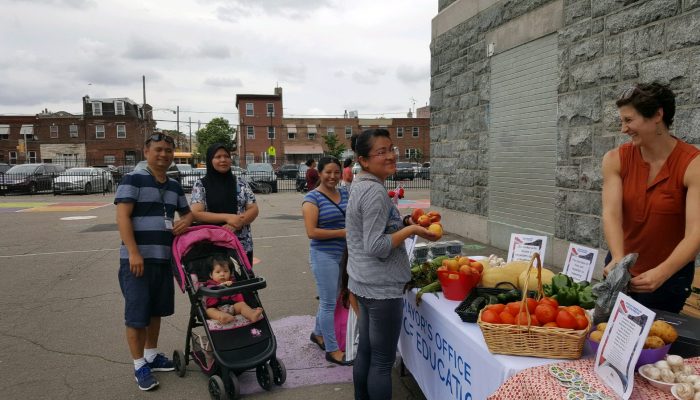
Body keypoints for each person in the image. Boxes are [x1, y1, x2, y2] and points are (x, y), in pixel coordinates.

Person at [346, 129, 438, 399]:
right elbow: (375, 246)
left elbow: (377, 229)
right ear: (364, 160)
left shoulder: (360, 184)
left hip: (362, 282)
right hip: (381, 287)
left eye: (391, 148)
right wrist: (412, 232)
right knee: (382, 361)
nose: (391, 156)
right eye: (381, 152)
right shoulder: (374, 192)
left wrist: (406, 222)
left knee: (366, 351)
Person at [602, 82, 700, 313]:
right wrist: (617, 258)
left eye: (629, 120)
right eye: (622, 121)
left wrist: (663, 272)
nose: (623, 129)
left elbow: (695, 233)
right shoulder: (615, 159)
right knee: (610, 336)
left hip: (668, 276)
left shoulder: (693, 164)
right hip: (620, 269)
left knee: (657, 344)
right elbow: (611, 213)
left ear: (657, 115)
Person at [115, 133, 193, 391]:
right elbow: (123, 217)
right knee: (137, 315)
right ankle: (139, 365)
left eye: (168, 151)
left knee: (156, 311)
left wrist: (187, 222)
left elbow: (188, 213)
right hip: (136, 260)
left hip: (163, 259)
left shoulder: (173, 185)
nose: (164, 155)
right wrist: (134, 252)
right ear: (146, 152)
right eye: (158, 150)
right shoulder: (133, 179)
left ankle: (151, 355)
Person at [301, 156, 351, 365]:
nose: (332, 176)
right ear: (319, 173)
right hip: (324, 256)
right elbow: (312, 232)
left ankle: (317, 333)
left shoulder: (346, 193)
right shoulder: (312, 198)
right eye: (328, 172)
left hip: (346, 255)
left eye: (336, 172)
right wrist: (344, 233)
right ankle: (332, 349)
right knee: (329, 302)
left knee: (333, 296)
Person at [190, 144, 259, 265]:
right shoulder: (201, 184)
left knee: (244, 282)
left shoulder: (241, 183)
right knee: (217, 282)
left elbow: (253, 209)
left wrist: (238, 223)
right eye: (218, 156)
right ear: (210, 160)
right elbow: (196, 213)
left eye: (226, 156)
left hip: (241, 245)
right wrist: (228, 218)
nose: (223, 160)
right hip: (212, 248)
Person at [204, 255, 263, 324]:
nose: (222, 274)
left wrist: (231, 286)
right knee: (209, 311)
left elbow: (238, 298)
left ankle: (251, 315)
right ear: (211, 275)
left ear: (230, 273)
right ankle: (223, 317)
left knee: (242, 305)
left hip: (232, 307)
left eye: (226, 271)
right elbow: (209, 300)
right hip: (217, 308)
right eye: (218, 272)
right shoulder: (209, 285)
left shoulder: (232, 282)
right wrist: (220, 286)